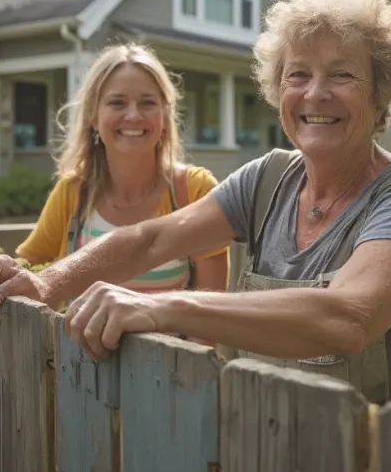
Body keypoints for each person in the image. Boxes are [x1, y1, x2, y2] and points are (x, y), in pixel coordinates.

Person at [0, 0, 391, 406]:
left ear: (380, 92)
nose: (315, 93)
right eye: (298, 74)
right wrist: (45, 284)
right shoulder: (268, 180)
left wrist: (168, 307)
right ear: (279, 89)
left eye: (342, 74)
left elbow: (348, 318)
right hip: (279, 447)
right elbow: (147, 240)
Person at [12, 42, 230, 301]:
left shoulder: (194, 190)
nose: (133, 116)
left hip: (170, 344)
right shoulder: (73, 191)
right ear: (93, 116)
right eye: (117, 103)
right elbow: (27, 276)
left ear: (164, 115)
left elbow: (207, 315)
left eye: (148, 103)